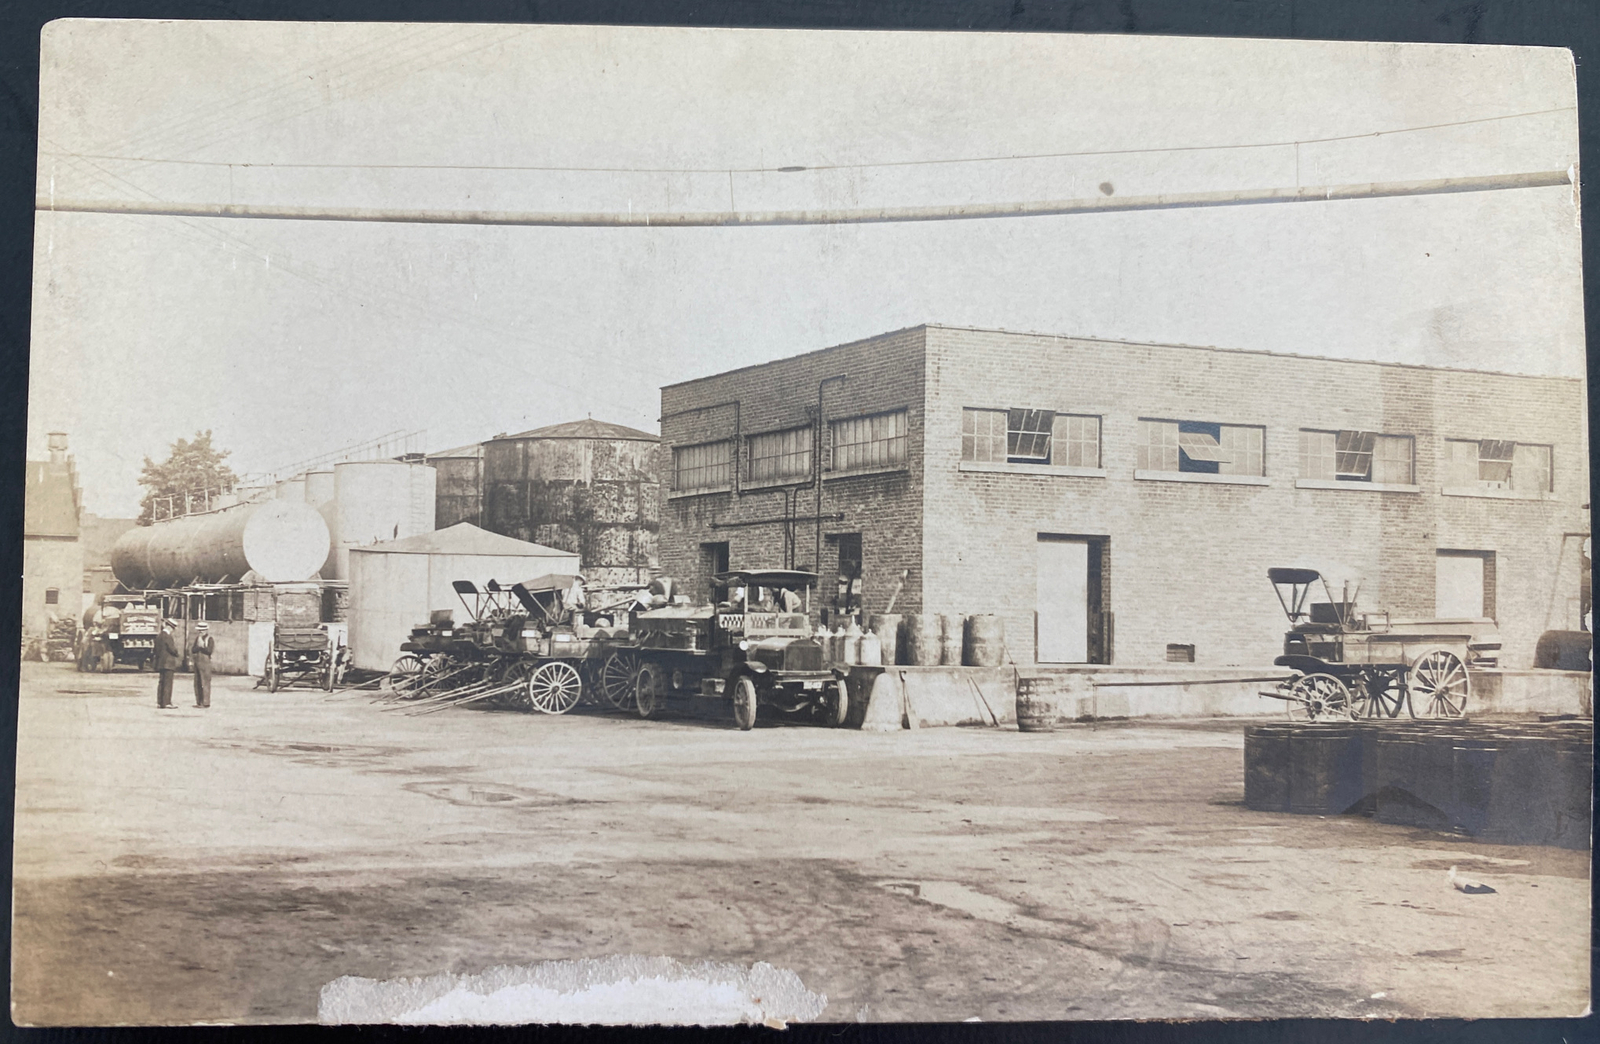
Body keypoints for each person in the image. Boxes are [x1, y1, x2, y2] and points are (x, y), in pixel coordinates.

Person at [153, 619, 181, 709]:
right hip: (168, 663)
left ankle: (160, 702)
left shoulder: (159, 636)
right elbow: (172, 649)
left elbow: (156, 650)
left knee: (161, 682)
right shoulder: (168, 637)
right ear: (170, 627)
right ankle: (167, 702)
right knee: (168, 683)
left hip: (161, 662)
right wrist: (177, 653)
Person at [190, 621, 215, 708]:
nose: (201, 632)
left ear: (206, 630)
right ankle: (199, 702)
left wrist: (201, 647)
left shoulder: (210, 639)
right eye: (199, 631)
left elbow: (209, 651)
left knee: (205, 683)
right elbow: (193, 649)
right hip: (197, 662)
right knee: (197, 682)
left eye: (202, 630)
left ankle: (205, 702)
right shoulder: (197, 639)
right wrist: (198, 647)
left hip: (206, 663)